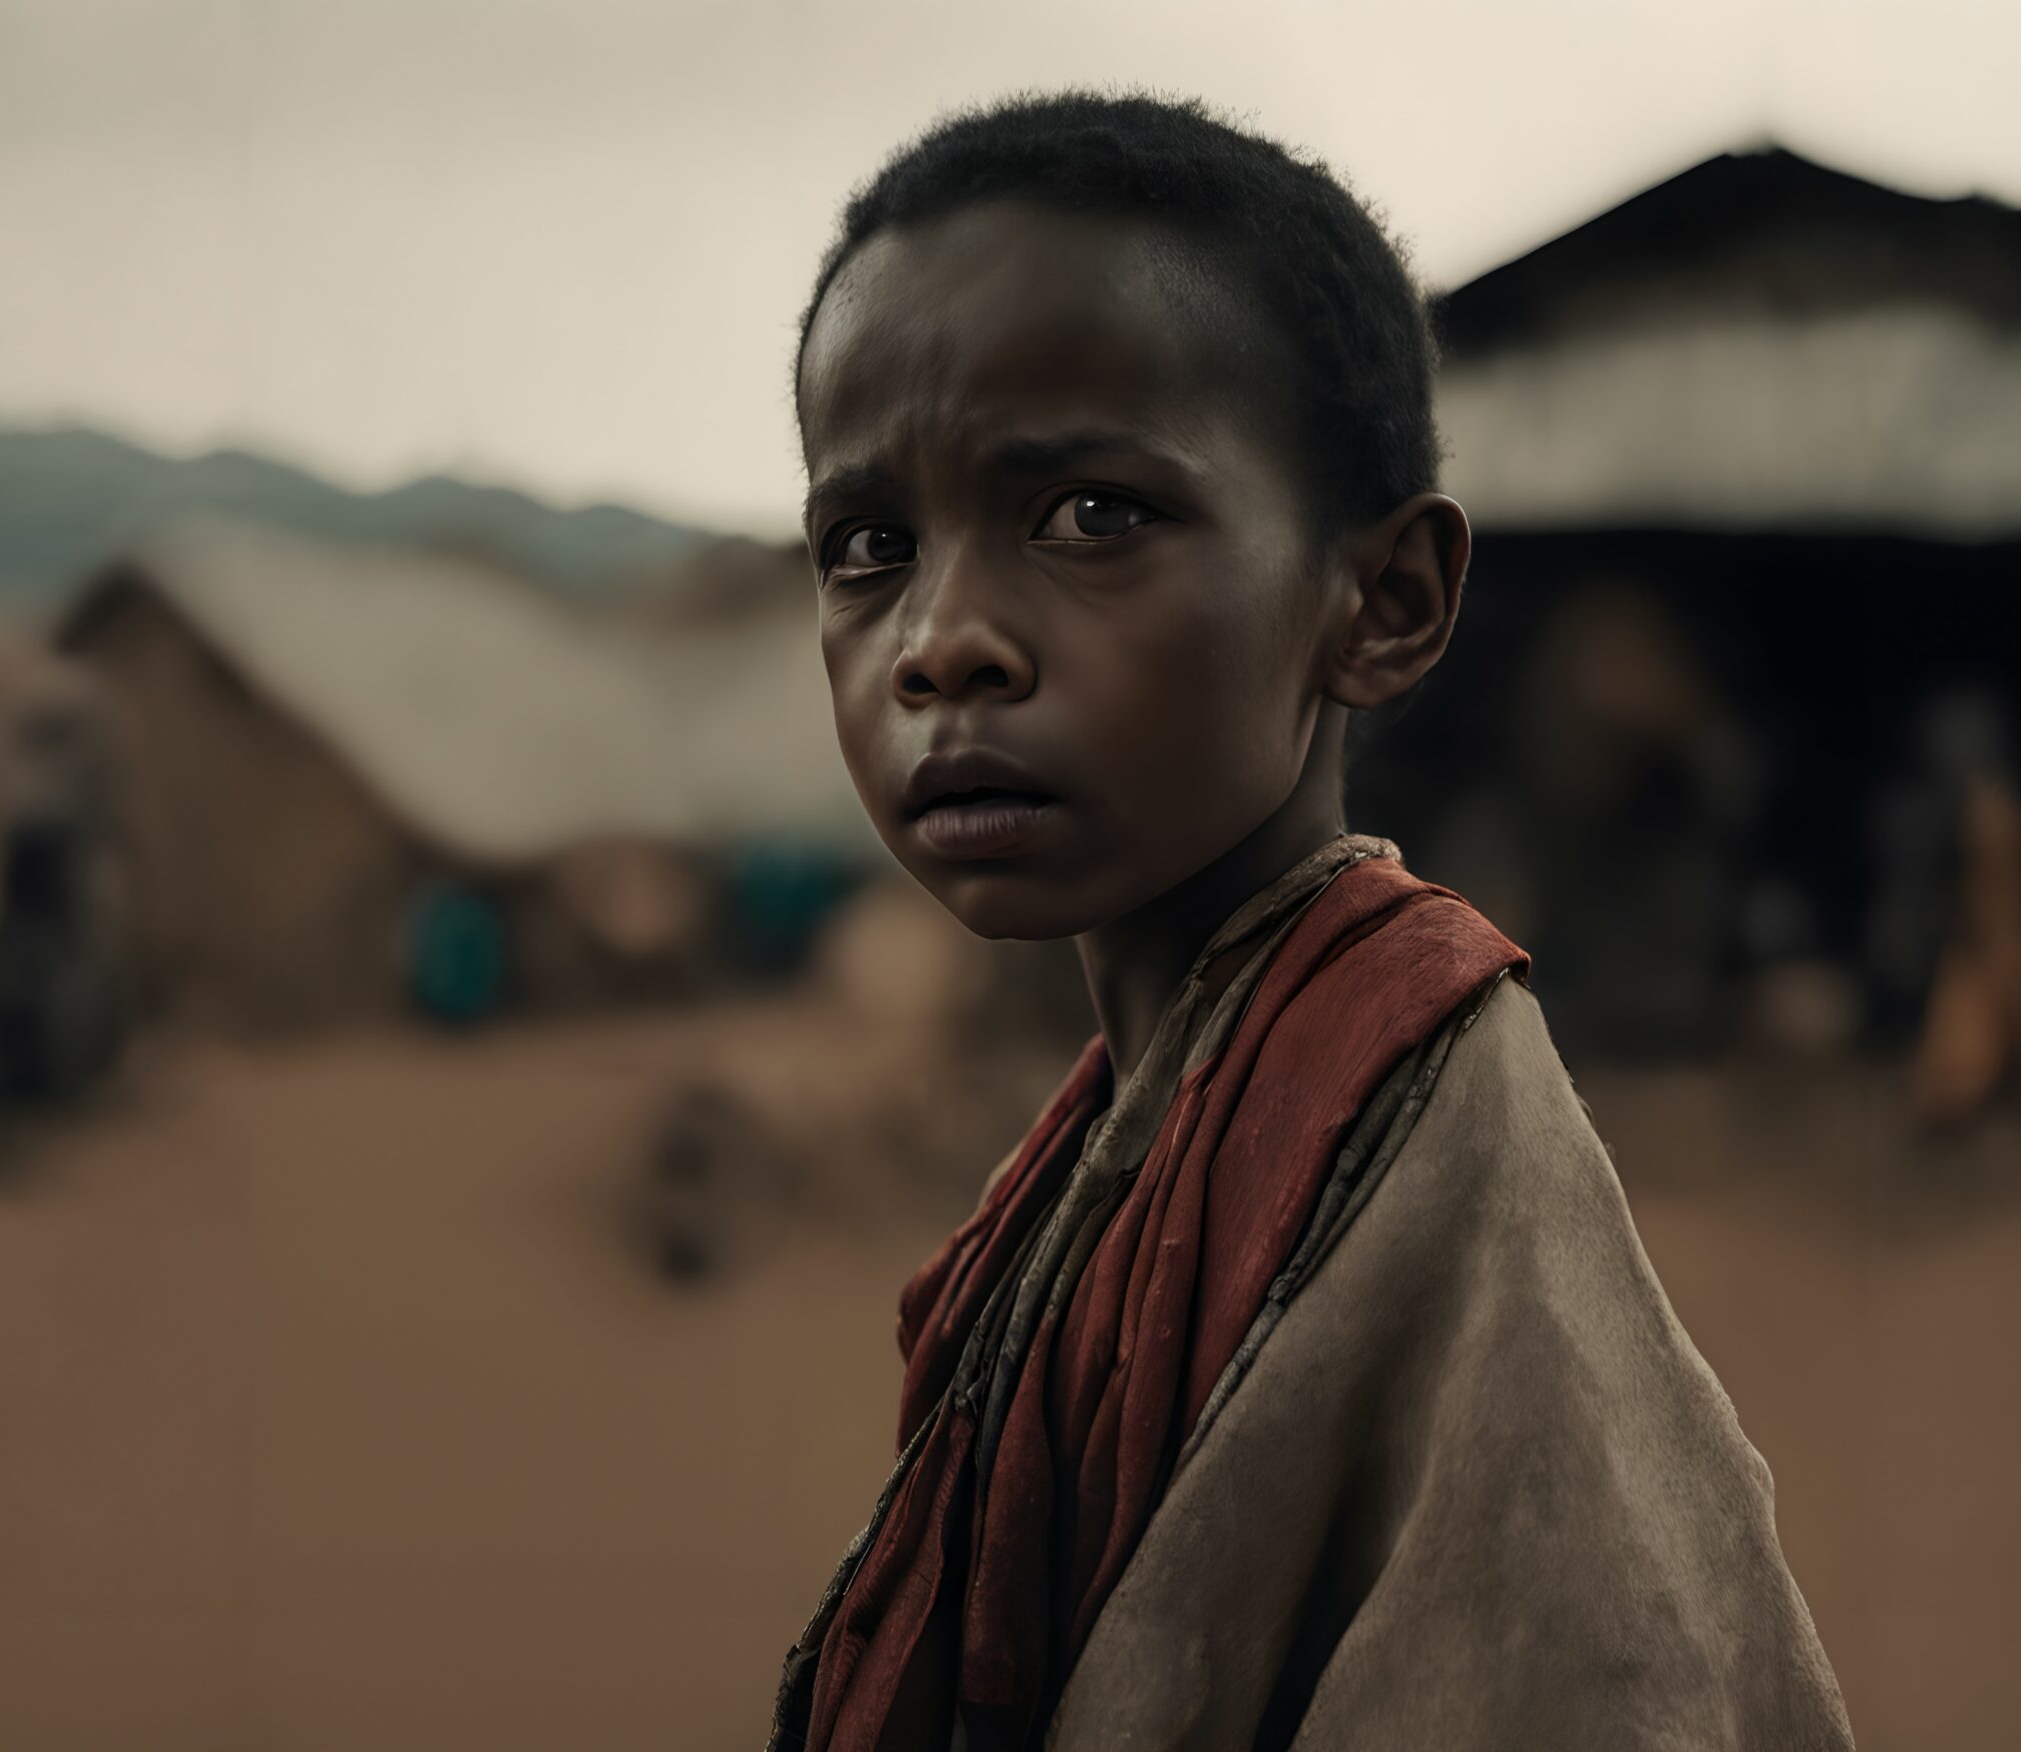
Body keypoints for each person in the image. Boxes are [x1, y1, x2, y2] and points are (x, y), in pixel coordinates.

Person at [768, 91, 1853, 1752]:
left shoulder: (1431, 1147)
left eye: (1091, 515)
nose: (943, 638)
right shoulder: (1114, 1154)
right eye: (868, 545)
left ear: (1385, 604)